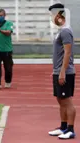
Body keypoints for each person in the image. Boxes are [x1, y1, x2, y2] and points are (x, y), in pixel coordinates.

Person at [48, 3, 76, 139]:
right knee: (60, 99)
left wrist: (62, 71)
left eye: (52, 15)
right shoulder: (61, 30)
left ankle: (70, 129)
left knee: (67, 101)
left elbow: (68, 52)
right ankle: (63, 127)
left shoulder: (65, 31)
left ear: (59, 15)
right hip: (58, 70)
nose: (51, 18)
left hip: (65, 72)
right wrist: (56, 70)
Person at [0, 9, 14, 90]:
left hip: (7, 49)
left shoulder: (9, 23)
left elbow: (8, 33)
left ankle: (8, 81)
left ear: (4, 16)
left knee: (8, 68)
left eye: (1, 16)